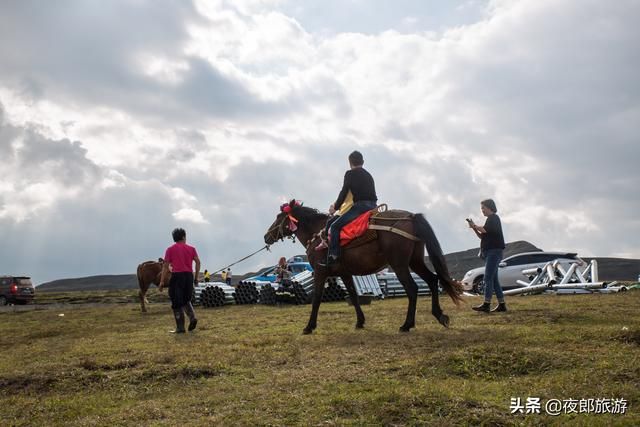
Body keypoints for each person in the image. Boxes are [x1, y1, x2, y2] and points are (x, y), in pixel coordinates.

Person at [320, 150, 377, 268]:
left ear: (350, 163)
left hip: (360, 206)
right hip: (373, 206)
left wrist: (335, 208)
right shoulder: (368, 174)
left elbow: (344, 192)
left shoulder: (350, 174)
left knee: (334, 226)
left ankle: (334, 256)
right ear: (363, 162)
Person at [468, 199, 507, 313]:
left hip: (494, 252)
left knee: (487, 277)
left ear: (489, 207)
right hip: (493, 252)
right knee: (494, 280)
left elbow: (485, 230)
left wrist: (474, 225)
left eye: (483, 208)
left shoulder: (493, 218)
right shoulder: (490, 220)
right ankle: (502, 305)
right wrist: (474, 228)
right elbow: (483, 236)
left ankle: (486, 304)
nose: (482, 211)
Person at [159, 227, 200, 333]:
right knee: (186, 299)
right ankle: (192, 317)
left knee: (176, 302)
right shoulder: (192, 249)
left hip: (177, 277)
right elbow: (198, 262)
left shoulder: (170, 249)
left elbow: (165, 266)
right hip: (189, 276)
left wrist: (162, 281)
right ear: (183, 237)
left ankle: (180, 328)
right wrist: (196, 278)